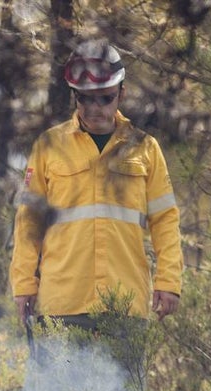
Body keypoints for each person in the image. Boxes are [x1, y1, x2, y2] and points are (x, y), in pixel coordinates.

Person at [10, 39, 183, 331]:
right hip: (62, 304)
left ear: (121, 94)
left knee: (125, 380)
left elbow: (165, 220)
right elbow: (29, 221)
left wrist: (169, 281)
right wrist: (24, 283)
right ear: (75, 96)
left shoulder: (145, 148)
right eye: (85, 99)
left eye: (105, 98)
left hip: (124, 304)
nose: (94, 108)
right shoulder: (49, 146)